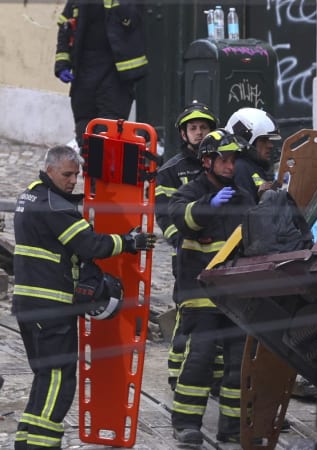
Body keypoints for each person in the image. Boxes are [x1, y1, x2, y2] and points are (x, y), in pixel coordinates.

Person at [12, 145, 155, 450]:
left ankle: (25, 441)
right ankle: (40, 445)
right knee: (59, 380)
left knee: (43, 377)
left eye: (77, 174)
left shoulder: (30, 195)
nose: (73, 180)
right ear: (49, 169)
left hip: (29, 304)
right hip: (51, 306)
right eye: (67, 174)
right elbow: (90, 244)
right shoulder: (53, 205)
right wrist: (129, 242)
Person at [168, 129, 254, 445]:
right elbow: (179, 219)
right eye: (225, 159)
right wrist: (209, 205)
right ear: (207, 161)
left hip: (235, 298)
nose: (231, 166)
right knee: (199, 358)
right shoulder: (189, 193)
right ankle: (186, 424)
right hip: (200, 296)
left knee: (237, 364)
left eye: (234, 160)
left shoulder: (244, 197)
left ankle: (231, 426)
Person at [155, 101, 218, 390]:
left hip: (218, 252)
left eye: (203, 127)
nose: (198, 132)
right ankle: (175, 371)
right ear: (183, 134)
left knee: (219, 312)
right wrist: (179, 241)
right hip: (188, 254)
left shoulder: (222, 165)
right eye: (192, 128)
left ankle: (215, 374)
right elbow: (163, 211)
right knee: (187, 313)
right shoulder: (171, 170)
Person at [54, 0, 148, 147]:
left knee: (108, 135)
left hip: (116, 76)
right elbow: (65, 28)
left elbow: (131, 20)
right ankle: (89, 167)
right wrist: (62, 64)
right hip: (84, 75)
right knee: (84, 134)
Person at [225, 107, 282, 202]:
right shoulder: (241, 168)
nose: (270, 145)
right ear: (246, 140)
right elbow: (245, 211)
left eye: (269, 140)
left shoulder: (252, 167)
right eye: (264, 140)